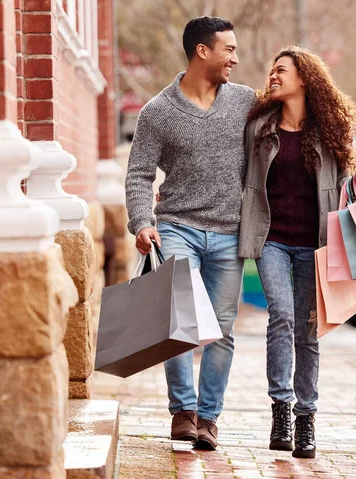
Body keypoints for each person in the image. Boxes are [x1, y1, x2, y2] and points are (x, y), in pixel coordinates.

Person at [238, 46, 356, 459]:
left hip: (315, 246)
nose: (273, 76)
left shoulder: (329, 130)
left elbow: (342, 190)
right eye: (272, 70)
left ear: (304, 79)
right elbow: (240, 178)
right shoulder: (260, 128)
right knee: (280, 315)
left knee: (309, 330)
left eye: (281, 70)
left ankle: (306, 418)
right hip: (271, 241)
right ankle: (281, 409)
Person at [124, 16, 257, 450]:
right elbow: (139, 174)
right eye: (229, 49)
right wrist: (143, 222)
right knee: (178, 321)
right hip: (177, 227)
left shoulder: (245, 102)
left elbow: (288, 134)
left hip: (230, 234)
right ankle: (182, 411)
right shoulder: (158, 112)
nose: (235, 58)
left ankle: (208, 418)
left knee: (220, 329)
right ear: (203, 51)